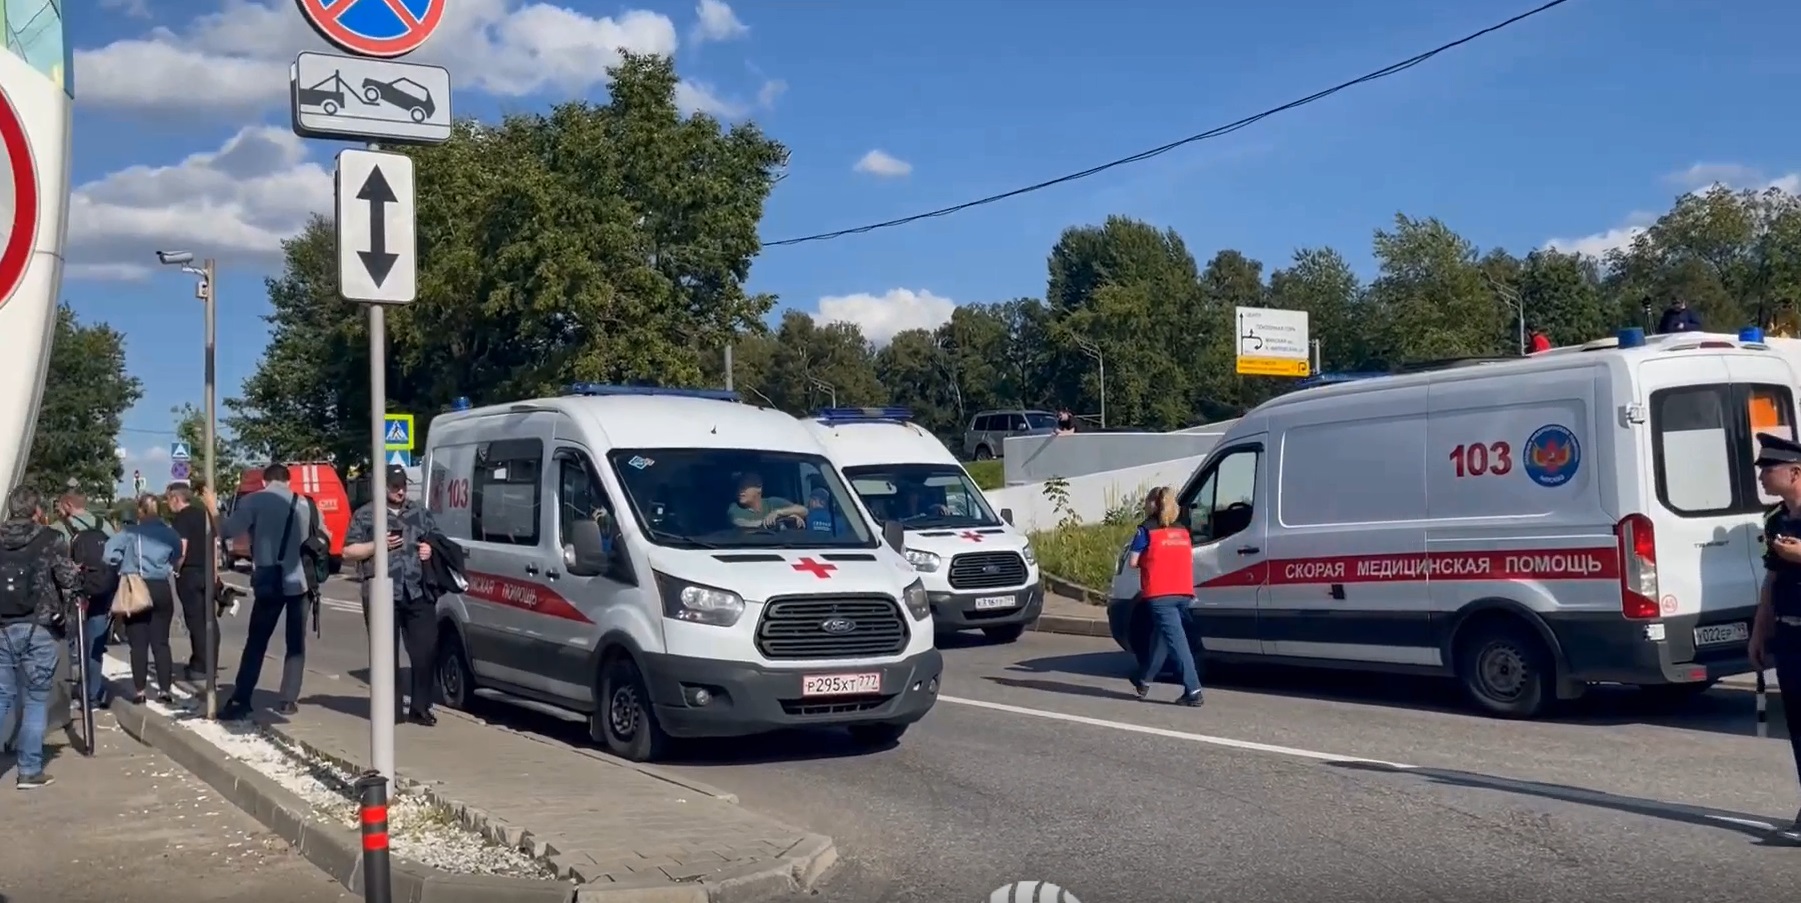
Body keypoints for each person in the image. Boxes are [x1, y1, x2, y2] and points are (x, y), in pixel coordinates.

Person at [216, 464, 316, 720]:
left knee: (257, 642)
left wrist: (211, 508)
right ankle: (288, 700)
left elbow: (227, 530)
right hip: (300, 582)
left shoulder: (254, 501)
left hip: (269, 580)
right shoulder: (305, 504)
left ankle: (241, 698)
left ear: (264, 481)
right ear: (288, 480)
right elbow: (321, 538)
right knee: (295, 643)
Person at [343, 466, 440, 726]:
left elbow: (436, 538)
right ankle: (391, 711)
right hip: (381, 590)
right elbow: (348, 551)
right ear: (382, 487)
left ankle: (420, 707)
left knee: (426, 650)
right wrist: (378, 545)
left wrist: (429, 550)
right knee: (386, 654)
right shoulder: (366, 514)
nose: (400, 491)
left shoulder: (418, 511)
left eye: (403, 486)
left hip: (417, 590)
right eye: (394, 486)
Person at [0, 486, 80, 788]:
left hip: (2, 627)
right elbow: (68, 580)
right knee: (35, 700)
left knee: (1, 697)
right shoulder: (51, 539)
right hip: (40, 626)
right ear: (37, 510)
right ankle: (29, 771)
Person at [1751, 432, 1801, 841]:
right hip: (1789, 635)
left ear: (1795, 472)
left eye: (1768, 470)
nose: (1763, 477)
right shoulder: (1774, 520)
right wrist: (1759, 631)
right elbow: (1771, 579)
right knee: (1798, 726)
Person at [1124, 486, 1203, 706]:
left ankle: (1194, 690)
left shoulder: (1145, 530)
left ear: (1153, 505)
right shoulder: (1182, 530)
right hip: (1184, 591)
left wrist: (1149, 561)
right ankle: (1144, 679)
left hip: (1160, 594)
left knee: (1177, 643)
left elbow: (1132, 562)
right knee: (1162, 638)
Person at [104, 494, 181, 705]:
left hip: (136, 587)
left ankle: (140, 691)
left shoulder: (130, 533)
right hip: (161, 587)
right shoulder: (169, 533)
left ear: (140, 510)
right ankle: (165, 689)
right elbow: (177, 556)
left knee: (138, 644)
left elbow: (108, 553)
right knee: (161, 642)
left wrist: (124, 562)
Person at [56, 493, 114, 711]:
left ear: (68, 505)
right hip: (101, 591)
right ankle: (91, 696)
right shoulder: (104, 525)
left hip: (73, 593)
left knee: (69, 643)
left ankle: (70, 694)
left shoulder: (60, 527)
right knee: (95, 644)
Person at [165, 484, 217, 681]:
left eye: (168, 499)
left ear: (176, 499)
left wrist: (176, 569)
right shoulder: (204, 514)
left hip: (190, 574)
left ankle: (201, 666)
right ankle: (211, 662)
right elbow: (214, 544)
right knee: (210, 619)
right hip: (207, 572)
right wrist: (214, 573)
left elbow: (182, 549)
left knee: (195, 621)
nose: (168, 504)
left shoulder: (181, 519)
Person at [727, 472, 805, 529]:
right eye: (739, 488)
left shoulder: (772, 502)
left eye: (744, 487)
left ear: (758, 489)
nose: (740, 492)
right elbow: (741, 523)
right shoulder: (735, 508)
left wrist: (780, 513)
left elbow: (804, 510)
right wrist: (782, 521)